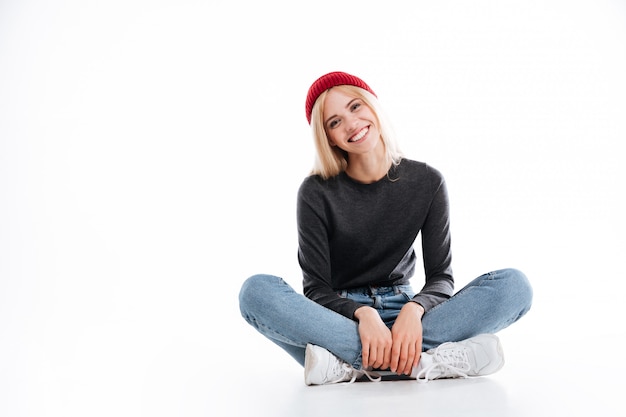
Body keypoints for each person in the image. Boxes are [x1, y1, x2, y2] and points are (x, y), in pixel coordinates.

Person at [238, 71, 533, 386]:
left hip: (411, 315)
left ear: (372, 106)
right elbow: (316, 290)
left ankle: (348, 366)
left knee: (514, 286)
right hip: (341, 320)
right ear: (328, 138)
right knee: (256, 292)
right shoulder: (315, 192)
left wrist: (415, 309)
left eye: (355, 107)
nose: (351, 124)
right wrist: (363, 315)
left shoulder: (427, 182)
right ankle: (424, 361)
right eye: (334, 122)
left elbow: (441, 278)